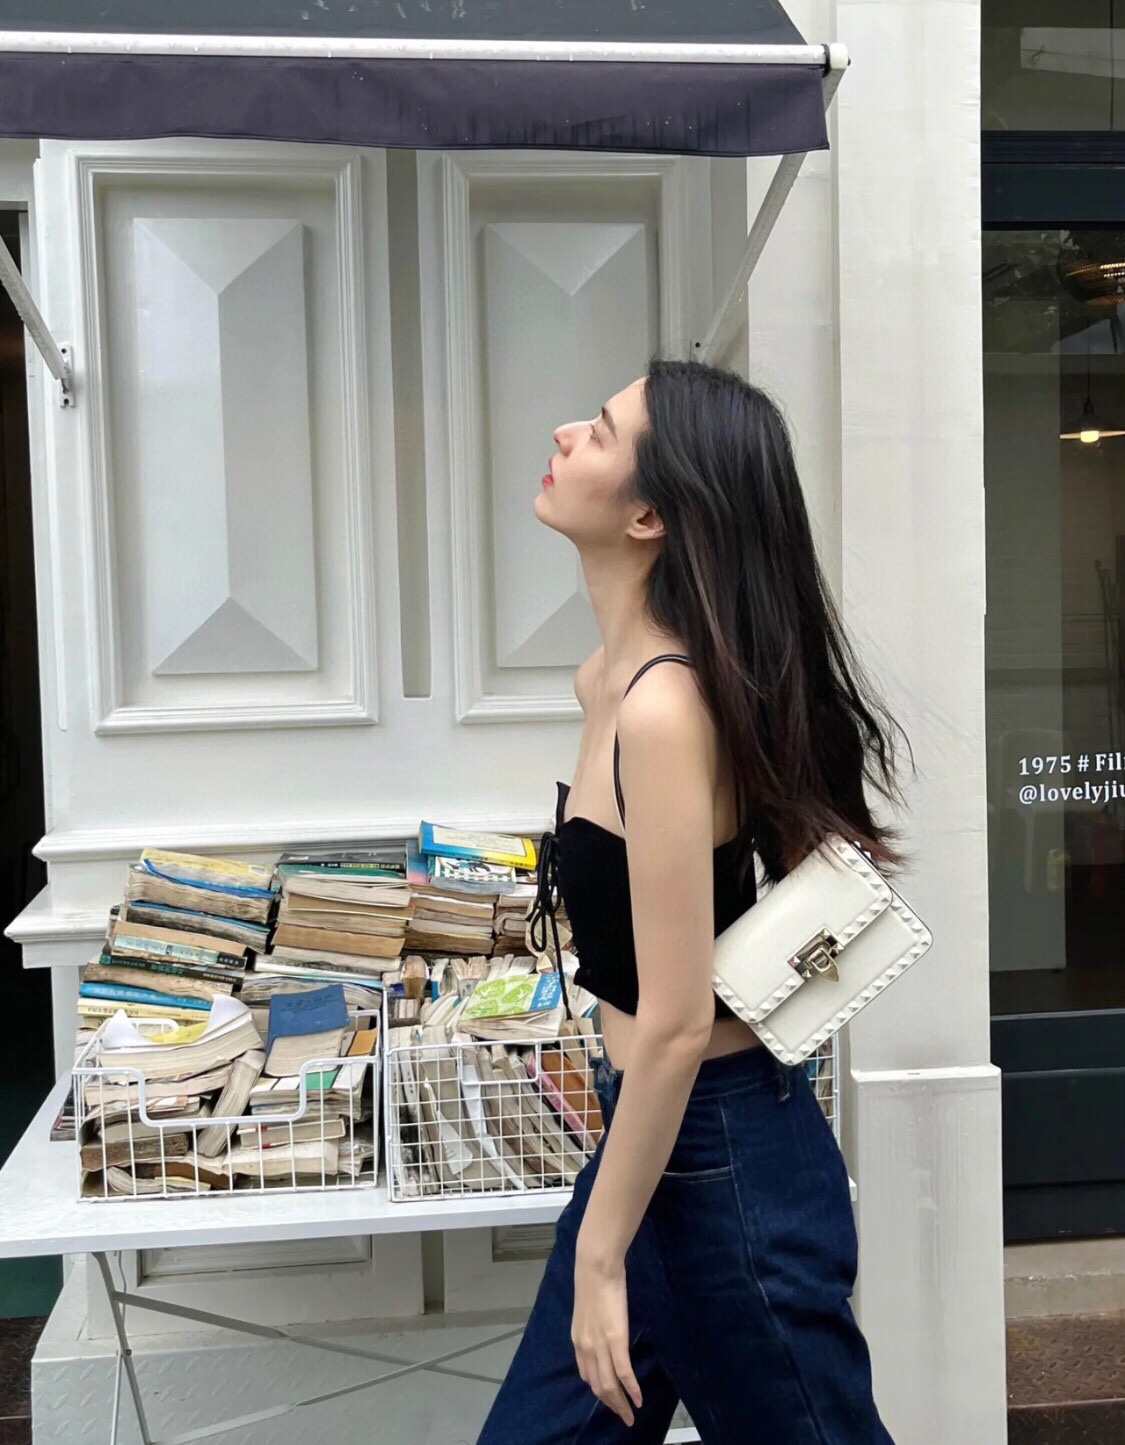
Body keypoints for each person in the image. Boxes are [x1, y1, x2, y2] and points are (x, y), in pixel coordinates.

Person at [476, 358, 907, 1445]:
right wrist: (608, 1235)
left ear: (650, 515)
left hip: (725, 1169)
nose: (565, 432)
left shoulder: (663, 708)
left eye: (601, 430)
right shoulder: (603, 682)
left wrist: (600, 1253)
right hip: (649, 1145)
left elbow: (673, 1021)